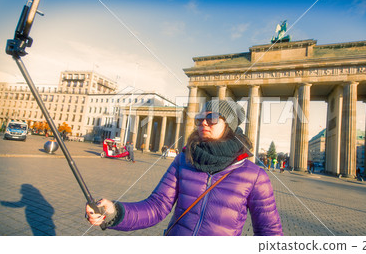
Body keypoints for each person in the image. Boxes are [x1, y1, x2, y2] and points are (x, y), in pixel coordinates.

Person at [86, 99, 283, 236]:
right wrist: (114, 213)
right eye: (200, 119)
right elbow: (157, 206)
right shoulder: (184, 159)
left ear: (229, 126)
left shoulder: (254, 175)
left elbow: (269, 232)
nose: (203, 123)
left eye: (212, 118)